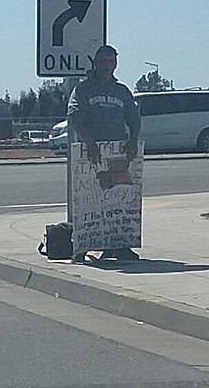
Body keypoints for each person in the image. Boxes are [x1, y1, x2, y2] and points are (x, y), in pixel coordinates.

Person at [67, 45, 141, 263]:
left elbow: (134, 118)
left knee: (117, 198)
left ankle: (118, 245)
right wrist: (89, 142)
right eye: (104, 61)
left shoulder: (122, 91)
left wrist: (133, 140)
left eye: (112, 61)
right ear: (95, 63)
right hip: (89, 154)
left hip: (117, 154)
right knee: (87, 201)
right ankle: (83, 244)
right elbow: (75, 116)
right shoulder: (83, 89)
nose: (108, 65)